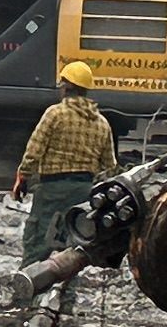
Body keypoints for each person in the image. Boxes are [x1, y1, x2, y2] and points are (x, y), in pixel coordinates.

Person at [9, 61, 117, 304]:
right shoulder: (101, 123)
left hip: (52, 189)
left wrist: (22, 176)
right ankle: (65, 300)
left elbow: (34, 150)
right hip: (84, 191)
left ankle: (24, 294)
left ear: (66, 87)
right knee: (73, 246)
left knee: (37, 239)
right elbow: (110, 166)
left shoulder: (55, 114)